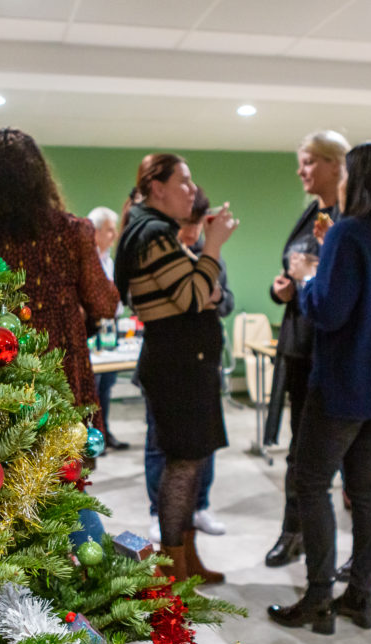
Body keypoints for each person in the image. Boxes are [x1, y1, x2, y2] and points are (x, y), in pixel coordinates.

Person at [267, 141, 371, 634]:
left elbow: (330, 312)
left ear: (355, 180)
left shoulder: (347, 234)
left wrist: (308, 278)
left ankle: (318, 598)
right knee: (367, 483)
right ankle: (360, 595)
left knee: (310, 482)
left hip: (347, 380)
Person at [0, 128, 119, 547]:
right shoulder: (73, 232)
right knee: (64, 482)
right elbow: (106, 305)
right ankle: (74, 582)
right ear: (41, 178)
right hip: (60, 376)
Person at [114, 153, 238, 582]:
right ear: (156, 187)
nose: (191, 189)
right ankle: (172, 568)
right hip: (177, 369)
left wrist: (204, 284)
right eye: (183, 182)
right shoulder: (153, 235)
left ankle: (188, 558)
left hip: (188, 366)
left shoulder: (158, 234)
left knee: (193, 462)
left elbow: (211, 293)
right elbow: (192, 297)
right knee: (182, 465)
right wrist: (215, 246)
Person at [263, 129, 350, 569]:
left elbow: (338, 284)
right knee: (299, 451)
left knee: (335, 457)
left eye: (309, 162)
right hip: (297, 344)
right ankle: (291, 531)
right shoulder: (310, 214)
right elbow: (293, 272)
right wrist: (283, 289)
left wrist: (308, 275)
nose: (301, 171)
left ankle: (342, 552)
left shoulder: (349, 218)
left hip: (329, 349)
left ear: (337, 164)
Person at [143, 187, 234, 547]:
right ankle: (160, 515)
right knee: (162, 447)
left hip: (203, 368)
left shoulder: (211, 256)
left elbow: (225, 300)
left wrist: (216, 297)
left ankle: (198, 508)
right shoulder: (161, 254)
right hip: (171, 369)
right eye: (186, 223)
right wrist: (201, 297)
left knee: (202, 449)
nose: (192, 231)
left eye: (198, 223)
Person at [87, 206, 130, 451]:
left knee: (108, 382)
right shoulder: (89, 261)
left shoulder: (110, 261)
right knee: (94, 381)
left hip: (111, 327)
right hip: (93, 328)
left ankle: (104, 431)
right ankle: (92, 436)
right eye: (110, 231)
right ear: (96, 233)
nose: (114, 236)